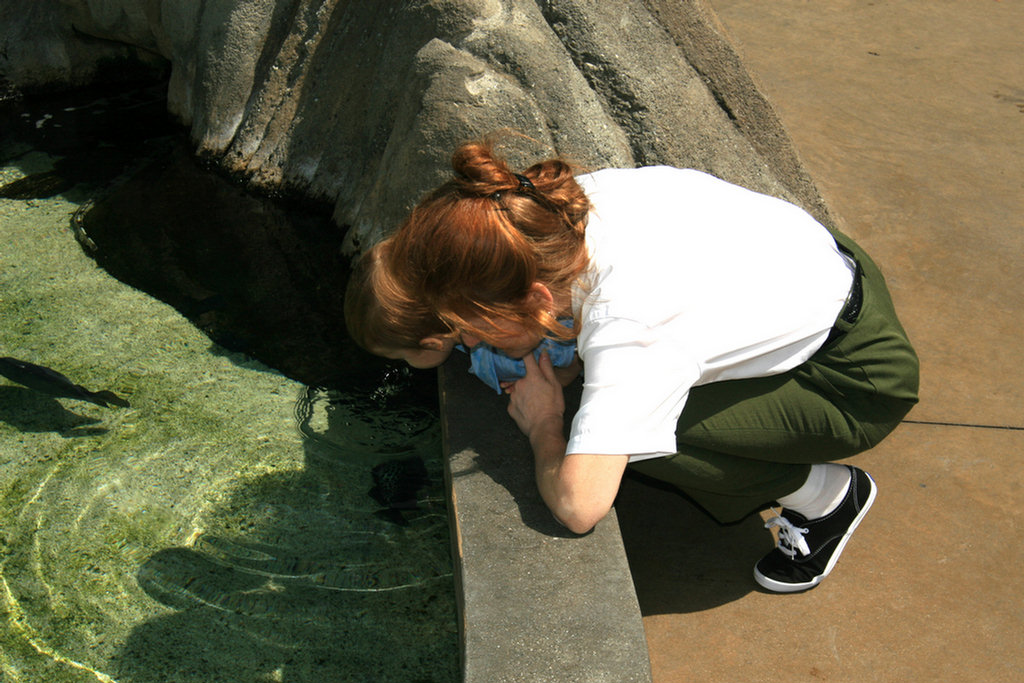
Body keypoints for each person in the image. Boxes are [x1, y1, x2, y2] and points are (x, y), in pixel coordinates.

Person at [371, 141, 919, 593]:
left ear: (537, 299)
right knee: (606, 397)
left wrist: (543, 425)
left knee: (635, 434)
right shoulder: (553, 210)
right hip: (823, 269)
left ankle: (826, 496)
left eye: (475, 327)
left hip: (854, 380)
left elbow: (578, 506)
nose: (468, 341)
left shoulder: (632, 326)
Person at [344, 238, 581, 389]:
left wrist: (565, 374)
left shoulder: (494, 361)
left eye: (402, 357)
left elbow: (567, 354)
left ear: (432, 344)